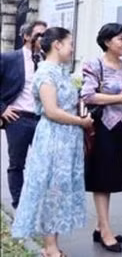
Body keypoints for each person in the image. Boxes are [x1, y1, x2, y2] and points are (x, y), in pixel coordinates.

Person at [11, 27, 94, 257]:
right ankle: (49, 247)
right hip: (55, 138)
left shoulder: (60, 71)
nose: (72, 48)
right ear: (57, 45)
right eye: (70, 43)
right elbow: (52, 111)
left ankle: (52, 245)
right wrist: (81, 121)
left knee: (59, 190)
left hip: (67, 138)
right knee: (52, 191)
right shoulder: (46, 73)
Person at [81, 23, 122, 253]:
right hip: (102, 128)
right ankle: (105, 231)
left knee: (113, 178)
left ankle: (101, 226)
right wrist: (121, 97)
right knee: (101, 179)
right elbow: (87, 95)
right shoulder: (94, 65)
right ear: (107, 42)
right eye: (120, 39)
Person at [0, 20, 47, 209]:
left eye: (46, 34)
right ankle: (19, 206)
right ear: (27, 36)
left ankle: (37, 204)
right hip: (18, 119)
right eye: (40, 34)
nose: (44, 38)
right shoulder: (9, 59)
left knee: (44, 163)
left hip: (43, 120)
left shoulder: (48, 61)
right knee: (17, 164)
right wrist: (2, 109)